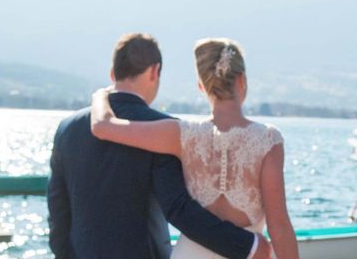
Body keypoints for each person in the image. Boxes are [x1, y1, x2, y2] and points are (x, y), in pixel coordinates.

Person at [48, 33, 271, 259]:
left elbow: (58, 213)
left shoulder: (67, 129)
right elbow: (178, 209)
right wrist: (247, 245)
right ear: (155, 71)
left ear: (113, 73)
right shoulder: (163, 129)